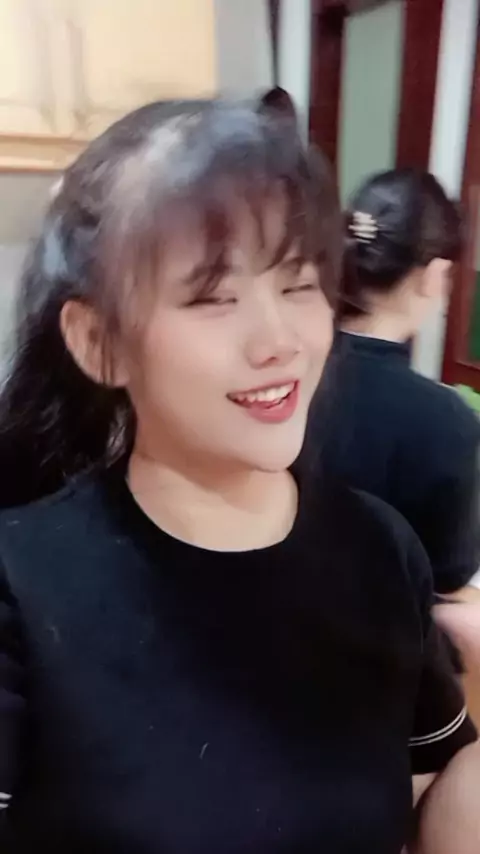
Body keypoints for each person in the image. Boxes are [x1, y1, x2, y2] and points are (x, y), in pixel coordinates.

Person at [0, 99, 477, 854]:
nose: (279, 341)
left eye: (298, 284)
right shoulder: (21, 583)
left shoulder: (383, 550)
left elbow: (426, 803)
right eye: (214, 298)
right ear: (99, 343)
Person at [307, 169, 480, 596]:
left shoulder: (284, 373)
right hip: (377, 628)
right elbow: (448, 581)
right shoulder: (444, 422)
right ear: (434, 275)